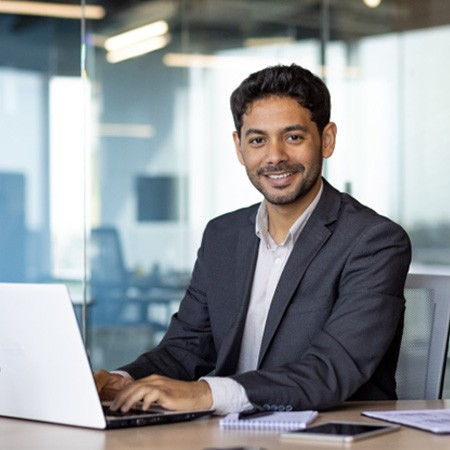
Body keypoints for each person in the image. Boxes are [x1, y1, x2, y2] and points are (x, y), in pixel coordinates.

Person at [95, 63, 411, 416]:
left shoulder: (374, 242)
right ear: (239, 147)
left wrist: (205, 394)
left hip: (330, 434)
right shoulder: (222, 236)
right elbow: (186, 348)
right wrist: (120, 380)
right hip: (232, 433)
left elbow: (331, 371)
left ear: (327, 139)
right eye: (258, 140)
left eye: (293, 137)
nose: (275, 156)